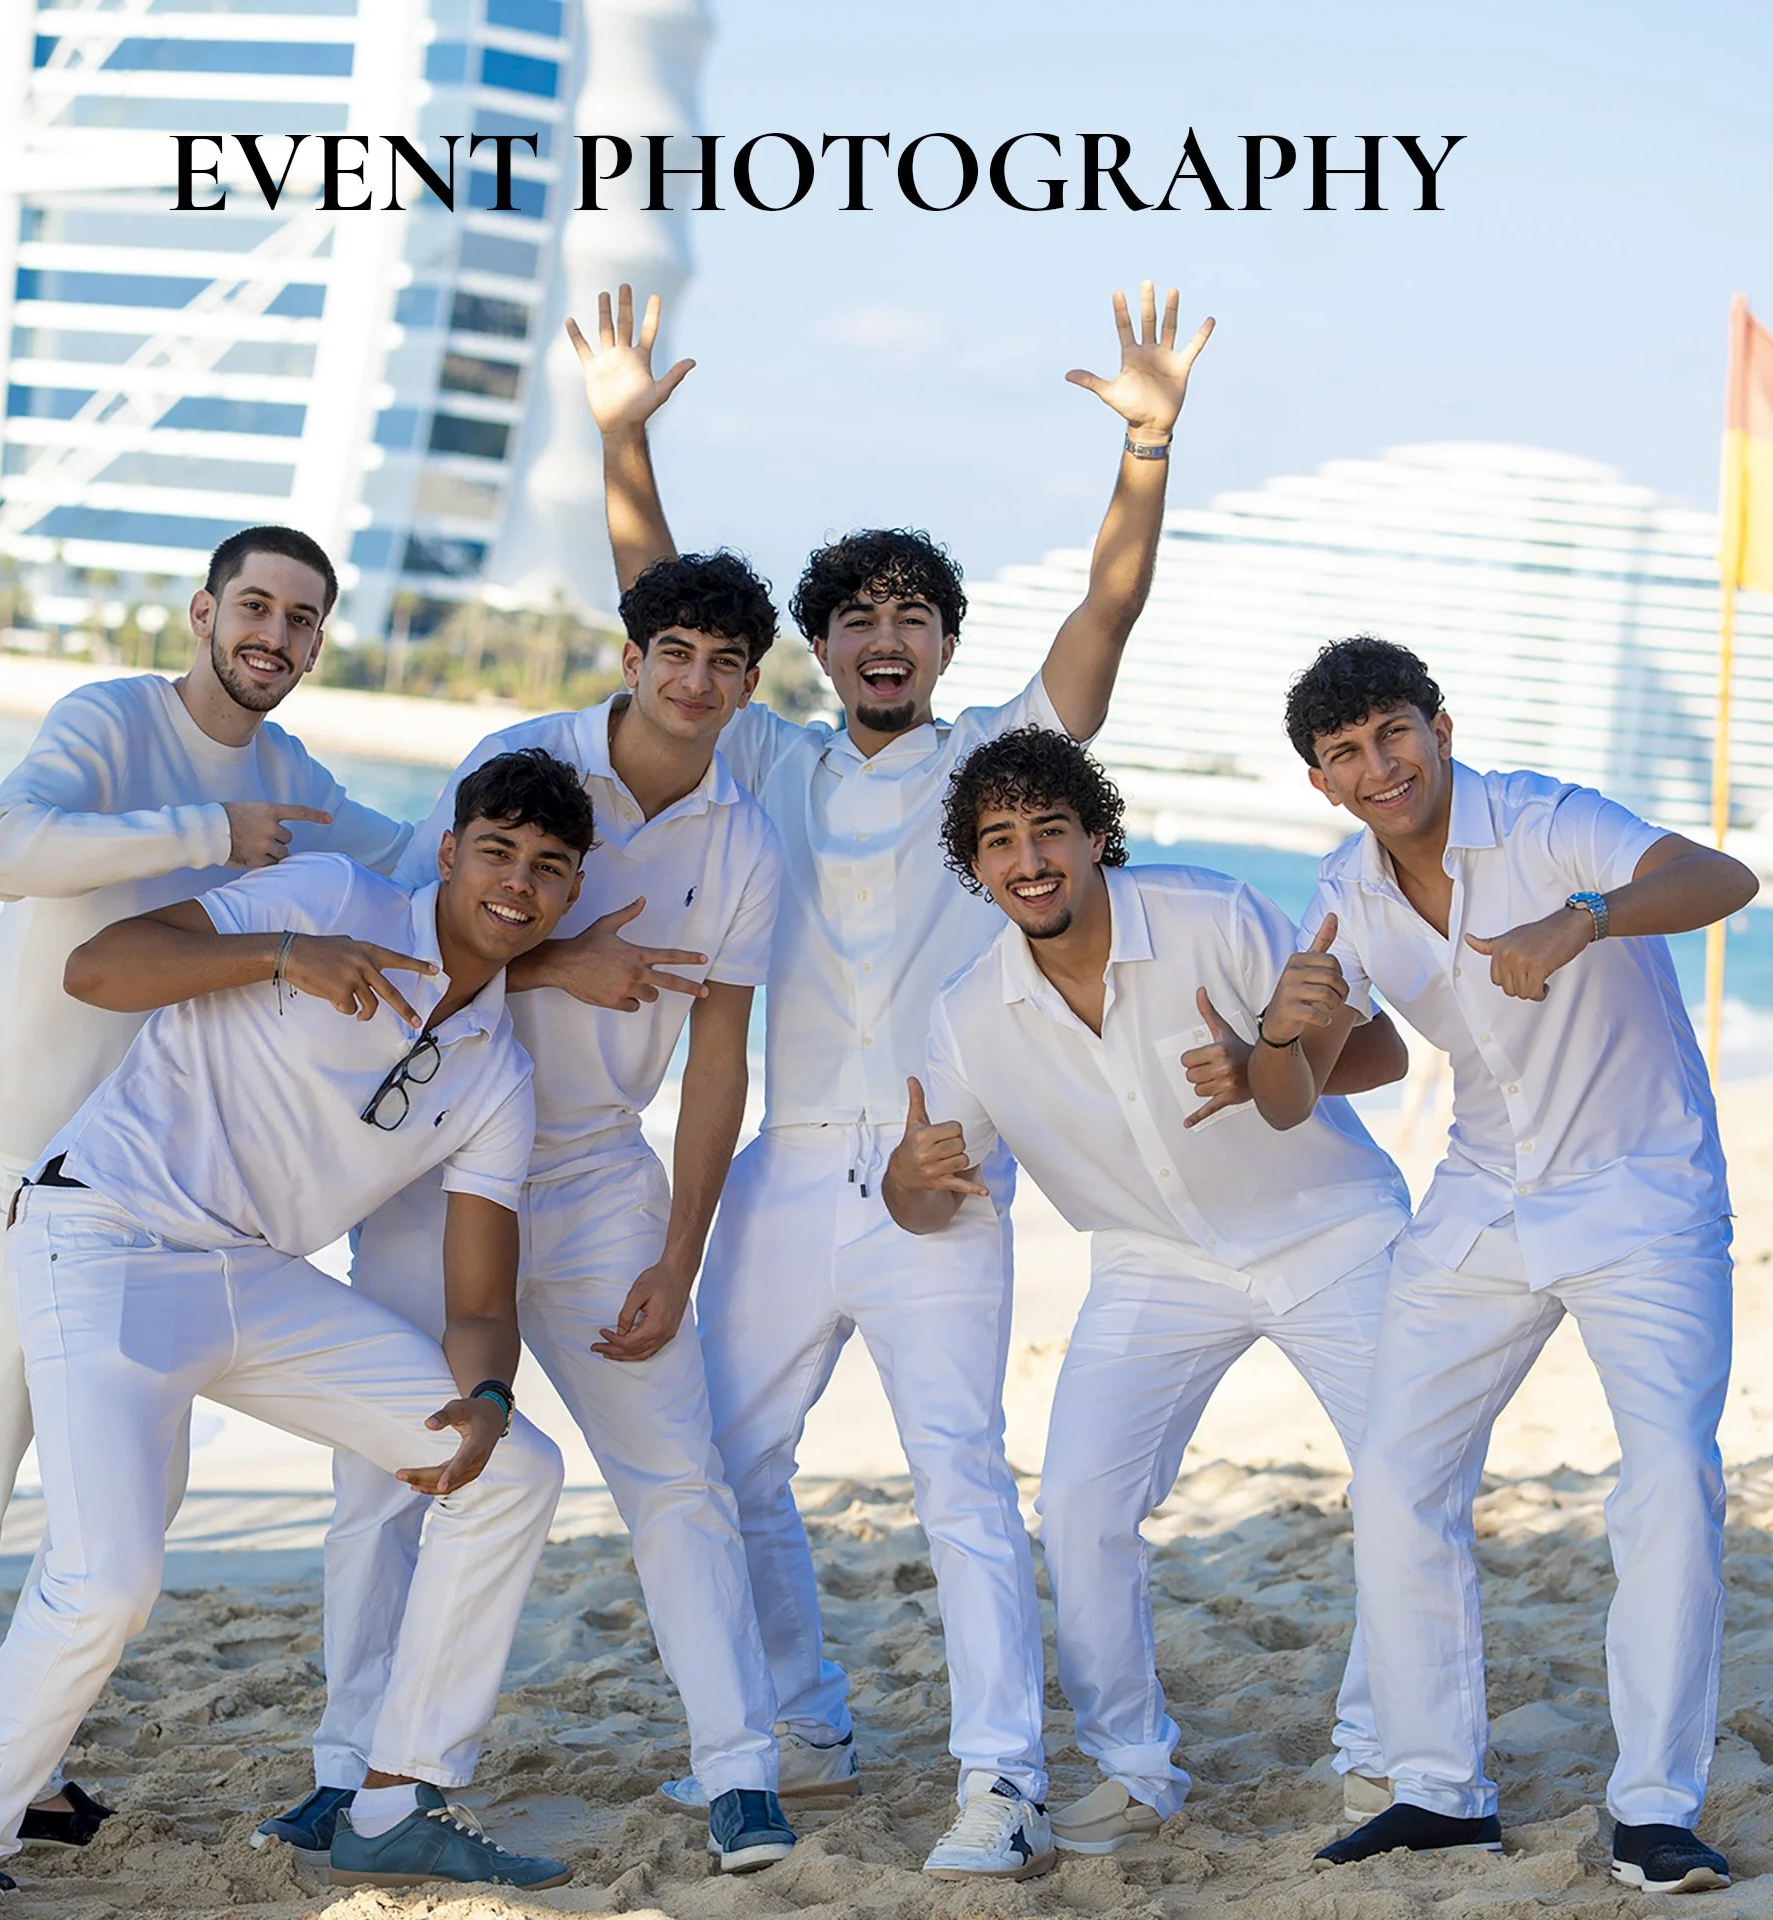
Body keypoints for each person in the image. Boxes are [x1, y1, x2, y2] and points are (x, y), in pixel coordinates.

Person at [566, 280, 1213, 1877]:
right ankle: (800, 1718)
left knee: (958, 1486)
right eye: (852, 614)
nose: (879, 635)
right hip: (788, 1166)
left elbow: (1106, 620)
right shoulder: (771, 759)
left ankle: (1001, 1778)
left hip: (937, 1178)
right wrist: (624, 440)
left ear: (940, 642)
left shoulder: (992, 768)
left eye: (908, 613)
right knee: (727, 1465)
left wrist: (1145, 451)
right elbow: (660, 604)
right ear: (823, 645)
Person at [0, 749, 596, 1920]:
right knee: (107, 1576)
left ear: (570, 893)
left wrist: (484, 1400)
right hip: (103, 1236)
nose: (517, 883)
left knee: (515, 1468)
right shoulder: (327, 897)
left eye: (549, 867)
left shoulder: (495, 1075)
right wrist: (282, 956)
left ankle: (390, 1804)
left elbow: (480, 1302)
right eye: (497, 851)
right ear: (448, 852)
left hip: (255, 1278)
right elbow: (98, 965)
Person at [0, 526, 411, 1896]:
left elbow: (438, 861)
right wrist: (209, 834)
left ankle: (22, 1769)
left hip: (143, 1204)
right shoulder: (111, 721)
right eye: (256, 607)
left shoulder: (295, 775)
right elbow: (0, 850)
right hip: (14, 1165)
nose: (276, 635)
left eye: (304, 618)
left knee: (111, 1523)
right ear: (204, 611)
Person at [265, 550, 797, 1874]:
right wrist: (570, 955)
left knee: (678, 1481)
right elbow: (439, 919)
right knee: (386, 1482)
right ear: (632, 659)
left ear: (745, 688)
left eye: (725, 664)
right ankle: (349, 1772)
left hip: (603, 1178)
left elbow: (725, 1058)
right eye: (674, 650)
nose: (695, 680)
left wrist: (682, 1252)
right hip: (437, 1169)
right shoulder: (521, 754)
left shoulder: (743, 842)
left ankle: (740, 1773)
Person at [1256, 638, 1755, 1893]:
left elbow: (1722, 875)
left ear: (1438, 724)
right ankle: (1437, 1788)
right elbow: (1299, 1093)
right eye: (1346, 754)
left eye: (1393, 734)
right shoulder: (1345, 890)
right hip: (1483, 1201)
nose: (1380, 767)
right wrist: (1287, 1028)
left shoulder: (1547, 821)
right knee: (1395, 1475)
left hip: (1643, 1193)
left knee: (1666, 1486)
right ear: (1322, 781)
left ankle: (1652, 1807)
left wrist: (1585, 917)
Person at [881, 727, 1411, 1853]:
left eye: (1051, 831)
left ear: (1094, 836)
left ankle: (1385, 1758)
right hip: (1151, 1265)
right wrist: (905, 1177)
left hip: (1331, 1230)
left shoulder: (1212, 913)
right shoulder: (969, 1014)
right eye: (1000, 840)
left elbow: (1382, 1057)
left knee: (1408, 1483)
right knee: (1077, 1503)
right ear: (974, 866)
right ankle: (1131, 1768)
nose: (1029, 859)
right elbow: (931, 1200)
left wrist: (1272, 1058)